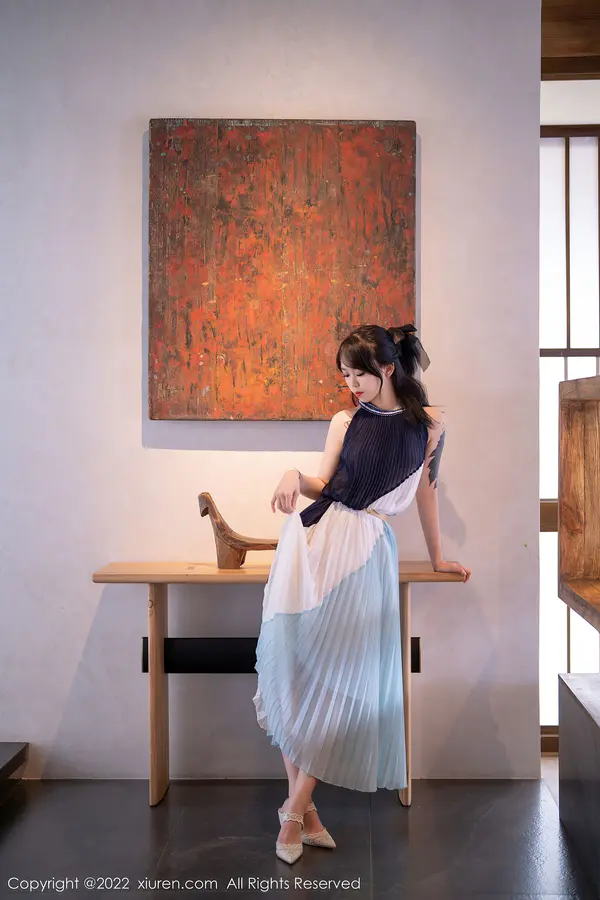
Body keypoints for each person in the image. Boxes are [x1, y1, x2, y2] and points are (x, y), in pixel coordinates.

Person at [252, 323, 471, 864]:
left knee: (346, 684)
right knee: (296, 674)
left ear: (387, 369)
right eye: (345, 375)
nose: (351, 385)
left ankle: (292, 809)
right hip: (313, 542)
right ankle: (305, 814)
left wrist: (439, 557)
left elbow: (427, 492)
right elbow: (324, 485)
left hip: (367, 548)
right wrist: (292, 473)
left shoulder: (430, 426)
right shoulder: (344, 420)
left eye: (359, 375)